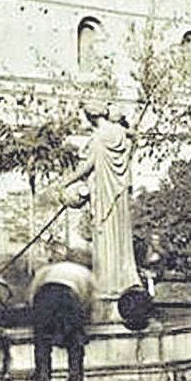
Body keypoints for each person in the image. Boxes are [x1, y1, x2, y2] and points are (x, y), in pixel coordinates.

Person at [58, 100, 139, 300]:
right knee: (120, 237)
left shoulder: (98, 138)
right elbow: (133, 137)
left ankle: (108, 284)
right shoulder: (120, 133)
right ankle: (126, 281)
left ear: (91, 117)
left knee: (105, 237)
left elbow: (87, 166)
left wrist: (64, 182)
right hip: (118, 195)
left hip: (104, 195)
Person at [28, 259, 96, 381]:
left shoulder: (46, 270)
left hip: (44, 296)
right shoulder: (86, 273)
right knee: (75, 342)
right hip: (67, 296)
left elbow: (32, 293)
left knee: (42, 343)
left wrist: (37, 317)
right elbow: (89, 300)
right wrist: (83, 321)